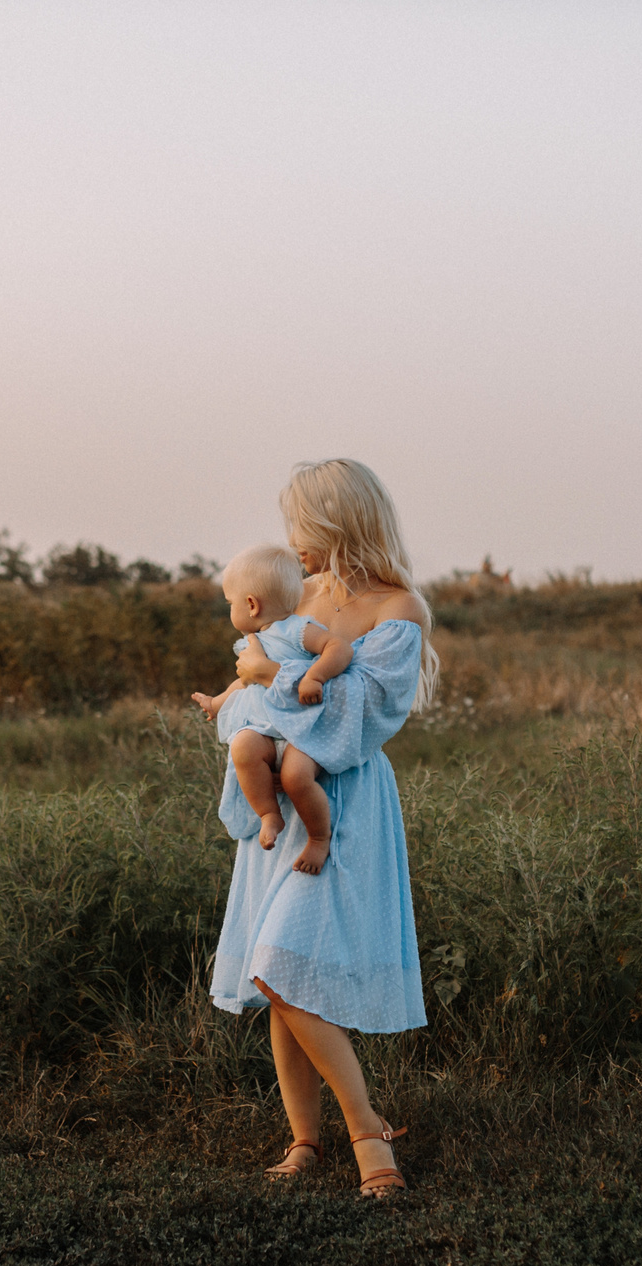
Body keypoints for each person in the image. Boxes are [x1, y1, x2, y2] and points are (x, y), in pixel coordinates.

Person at [197, 459, 439, 1198]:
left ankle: (368, 1132)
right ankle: (306, 1137)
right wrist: (260, 699)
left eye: (302, 523)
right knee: (281, 976)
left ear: (338, 520)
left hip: (345, 804)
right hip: (282, 801)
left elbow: (359, 717)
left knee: (282, 959)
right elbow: (245, 706)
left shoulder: (398, 609)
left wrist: (275, 688)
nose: (292, 539)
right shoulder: (293, 598)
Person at [197, 544, 358, 874]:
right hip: (265, 732)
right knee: (242, 747)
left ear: (252, 605)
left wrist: (315, 676)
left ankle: (318, 839)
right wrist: (216, 702)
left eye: (231, 603)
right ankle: (269, 813)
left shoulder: (298, 630)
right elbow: (245, 682)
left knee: (296, 776)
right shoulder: (252, 644)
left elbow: (339, 648)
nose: (231, 610)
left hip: (301, 730)